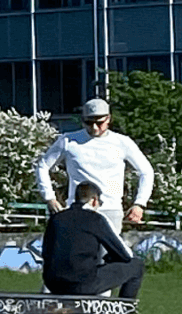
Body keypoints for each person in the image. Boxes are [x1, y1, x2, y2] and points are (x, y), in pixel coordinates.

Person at [35, 98, 156, 233]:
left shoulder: (122, 142)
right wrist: (50, 198)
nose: (94, 127)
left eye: (99, 123)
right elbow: (42, 166)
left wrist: (139, 203)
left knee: (109, 253)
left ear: (109, 119)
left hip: (111, 209)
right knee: (79, 253)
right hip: (78, 210)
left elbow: (146, 171)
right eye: (88, 122)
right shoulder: (68, 140)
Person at [43, 181, 143, 298]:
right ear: (94, 200)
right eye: (100, 203)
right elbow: (125, 255)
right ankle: (126, 312)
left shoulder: (56, 218)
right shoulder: (96, 219)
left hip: (52, 283)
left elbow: (46, 251)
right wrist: (110, 259)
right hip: (82, 284)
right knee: (137, 266)